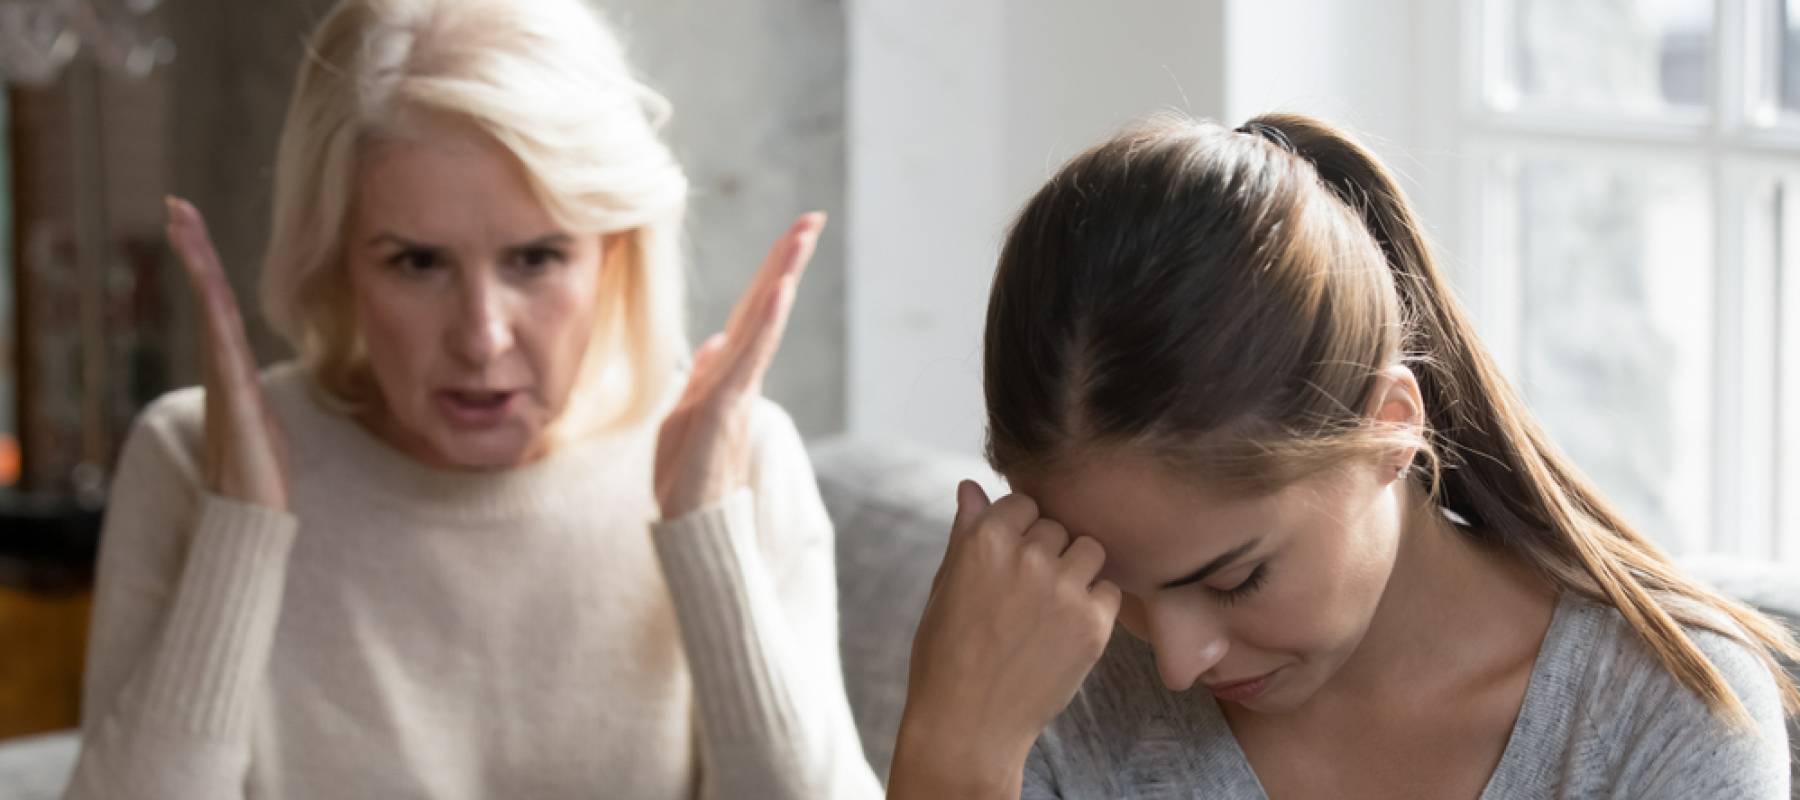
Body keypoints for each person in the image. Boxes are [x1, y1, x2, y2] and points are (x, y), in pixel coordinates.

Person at [64, 0, 881, 797]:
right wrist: (241, 531)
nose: (482, 337)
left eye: (536, 258)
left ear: (614, 250)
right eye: (418, 262)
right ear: (338, 257)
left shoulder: (742, 460)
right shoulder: (190, 458)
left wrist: (707, 534)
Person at [888, 113, 1798, 798]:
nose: (1178, 661)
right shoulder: (1040, 696)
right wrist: (951, 756)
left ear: (1392, 427)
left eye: (1236, 578)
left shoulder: (1664, 723)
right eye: (1113, 584)